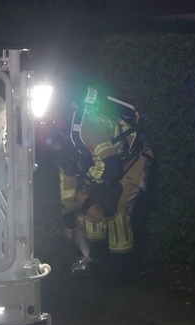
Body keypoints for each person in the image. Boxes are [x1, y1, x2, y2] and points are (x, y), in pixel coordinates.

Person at [39, 87, 154, 288]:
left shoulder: (86, 128)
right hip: (109, 167)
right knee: (88, 211)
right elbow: (67, 184)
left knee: (114, 207)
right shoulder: (64, 148)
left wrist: (90, 184)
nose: (54, 150)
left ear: (60, 131)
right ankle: (97, 261)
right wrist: (69, 221)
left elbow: (109, 164)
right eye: (49, 148)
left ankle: (122, 270)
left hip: (134, 161)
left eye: (54, 144)